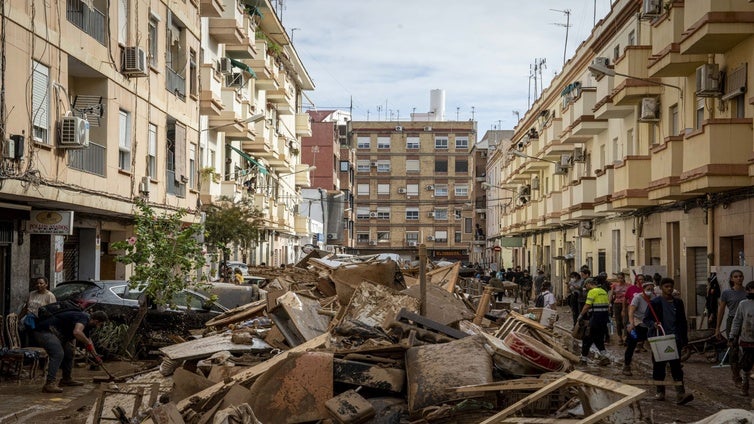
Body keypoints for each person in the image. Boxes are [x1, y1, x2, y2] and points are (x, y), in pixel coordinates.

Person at [35, 308, 108, 393]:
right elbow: (77, 332)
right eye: (100, 324)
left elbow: (89, 341)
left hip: (57, 334)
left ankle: (66, 379)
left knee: (69, 353)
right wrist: (87, 342)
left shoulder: (87, 324)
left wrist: (96, 356)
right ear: (96, 321)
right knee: (58, 353)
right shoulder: (83, 317)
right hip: (45, 331)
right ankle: (49, 384)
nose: (98, 326)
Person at [645, 277, 693, 405]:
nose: (669, 289)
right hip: (660, 338)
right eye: (666, 286)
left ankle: (680, 393)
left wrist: (684, 339)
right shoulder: (654, 303)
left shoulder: (678, 303)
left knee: (676, 366)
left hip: (674, 338)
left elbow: (682, 321)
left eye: (671, 286)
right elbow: (646, 319)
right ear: (661, 288)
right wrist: (653, 324)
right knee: (659, 366)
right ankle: (660, 391)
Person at [715, 269, 747, 388]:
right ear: (732, 279)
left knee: (748, 348)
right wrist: (717, 328)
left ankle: (746, 373)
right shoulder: (727, 293)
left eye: (740, 276)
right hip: (732, 321)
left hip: (747, 322)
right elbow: (721, 310)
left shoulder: (747, 292)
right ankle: (736, 376)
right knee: (733, 348)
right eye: (736, 276)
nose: (738, 278)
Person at [622, 278, 657, 376]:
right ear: (643, 289)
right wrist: (631, 323)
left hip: (650, 325)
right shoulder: (637, 298)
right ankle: (627, 366)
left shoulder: (654, 297)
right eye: (648, 288)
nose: (650, 290)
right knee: (631, 345)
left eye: (652, 289)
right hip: (638, 324)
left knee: (655, 347)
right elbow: (631, 311)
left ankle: (657, 369)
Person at [728, 280, 754, 397]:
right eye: (750, 289)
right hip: (747, 338)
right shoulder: (743, 304)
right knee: (746, 364)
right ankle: (745, 383)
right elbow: (737, 321)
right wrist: (732, 336)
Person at [577, 278, 611, 366]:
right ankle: (604, 357)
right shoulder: (603, 291)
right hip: (603, 319)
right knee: (598, 338)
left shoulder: (592, 292)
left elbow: (587, 305)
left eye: (586, 285)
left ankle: (583, 360)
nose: (585, 287)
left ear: (589, 284)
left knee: (587, 338)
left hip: (595, 318)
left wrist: (580, 315)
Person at [611, 271, 629, 346]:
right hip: (617, 304)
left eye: (621, 278)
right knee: (618, 322)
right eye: (618, 278)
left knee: (625, 321)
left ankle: (626, 337)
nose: (620, 279)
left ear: (624, 278)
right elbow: (612, 295)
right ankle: (620, 337)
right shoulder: (614, 285)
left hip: (626, 304)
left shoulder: (628, 285)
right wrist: (609, 304)